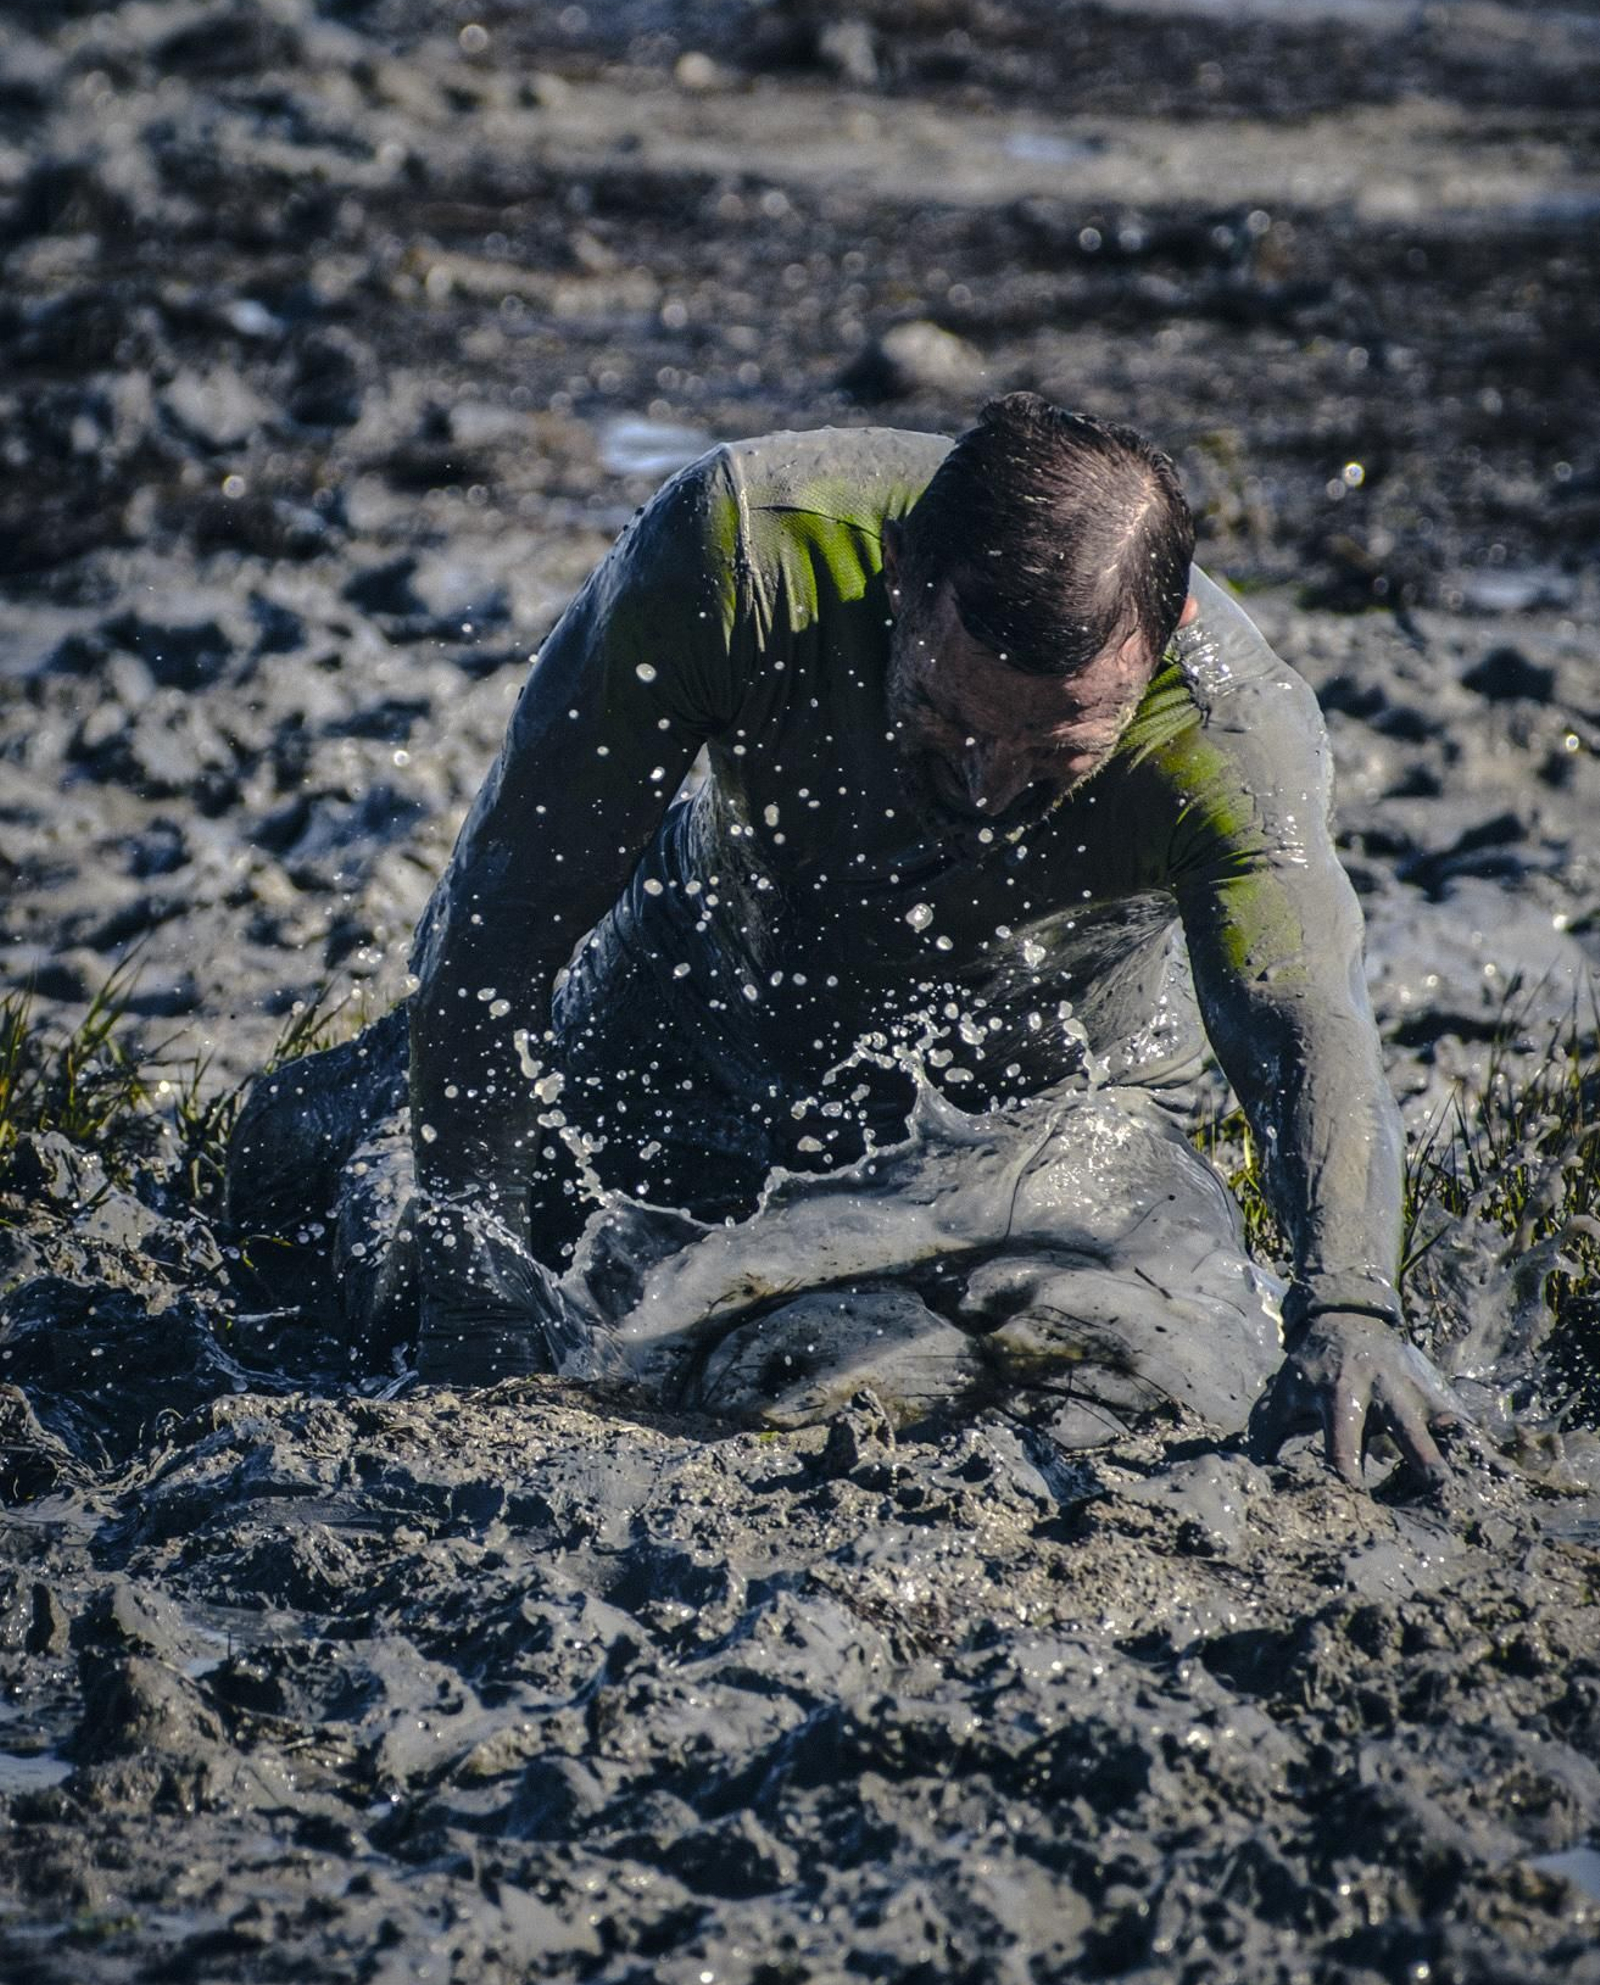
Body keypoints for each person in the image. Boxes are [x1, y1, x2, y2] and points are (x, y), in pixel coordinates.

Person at [228, 394, 1462, 1485]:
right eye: (939, 714)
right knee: (303, 1186)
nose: (983, 788)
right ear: (899, 576)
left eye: (1057, 752)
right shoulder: (742, 551)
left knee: (1158, 1367)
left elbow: (1305, 1023)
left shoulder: (1232, 736)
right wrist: (466, 1277)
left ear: (1161, 639)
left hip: (1049, 1127)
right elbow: (498, 925)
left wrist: (1349, 1304)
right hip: (677, 1035)